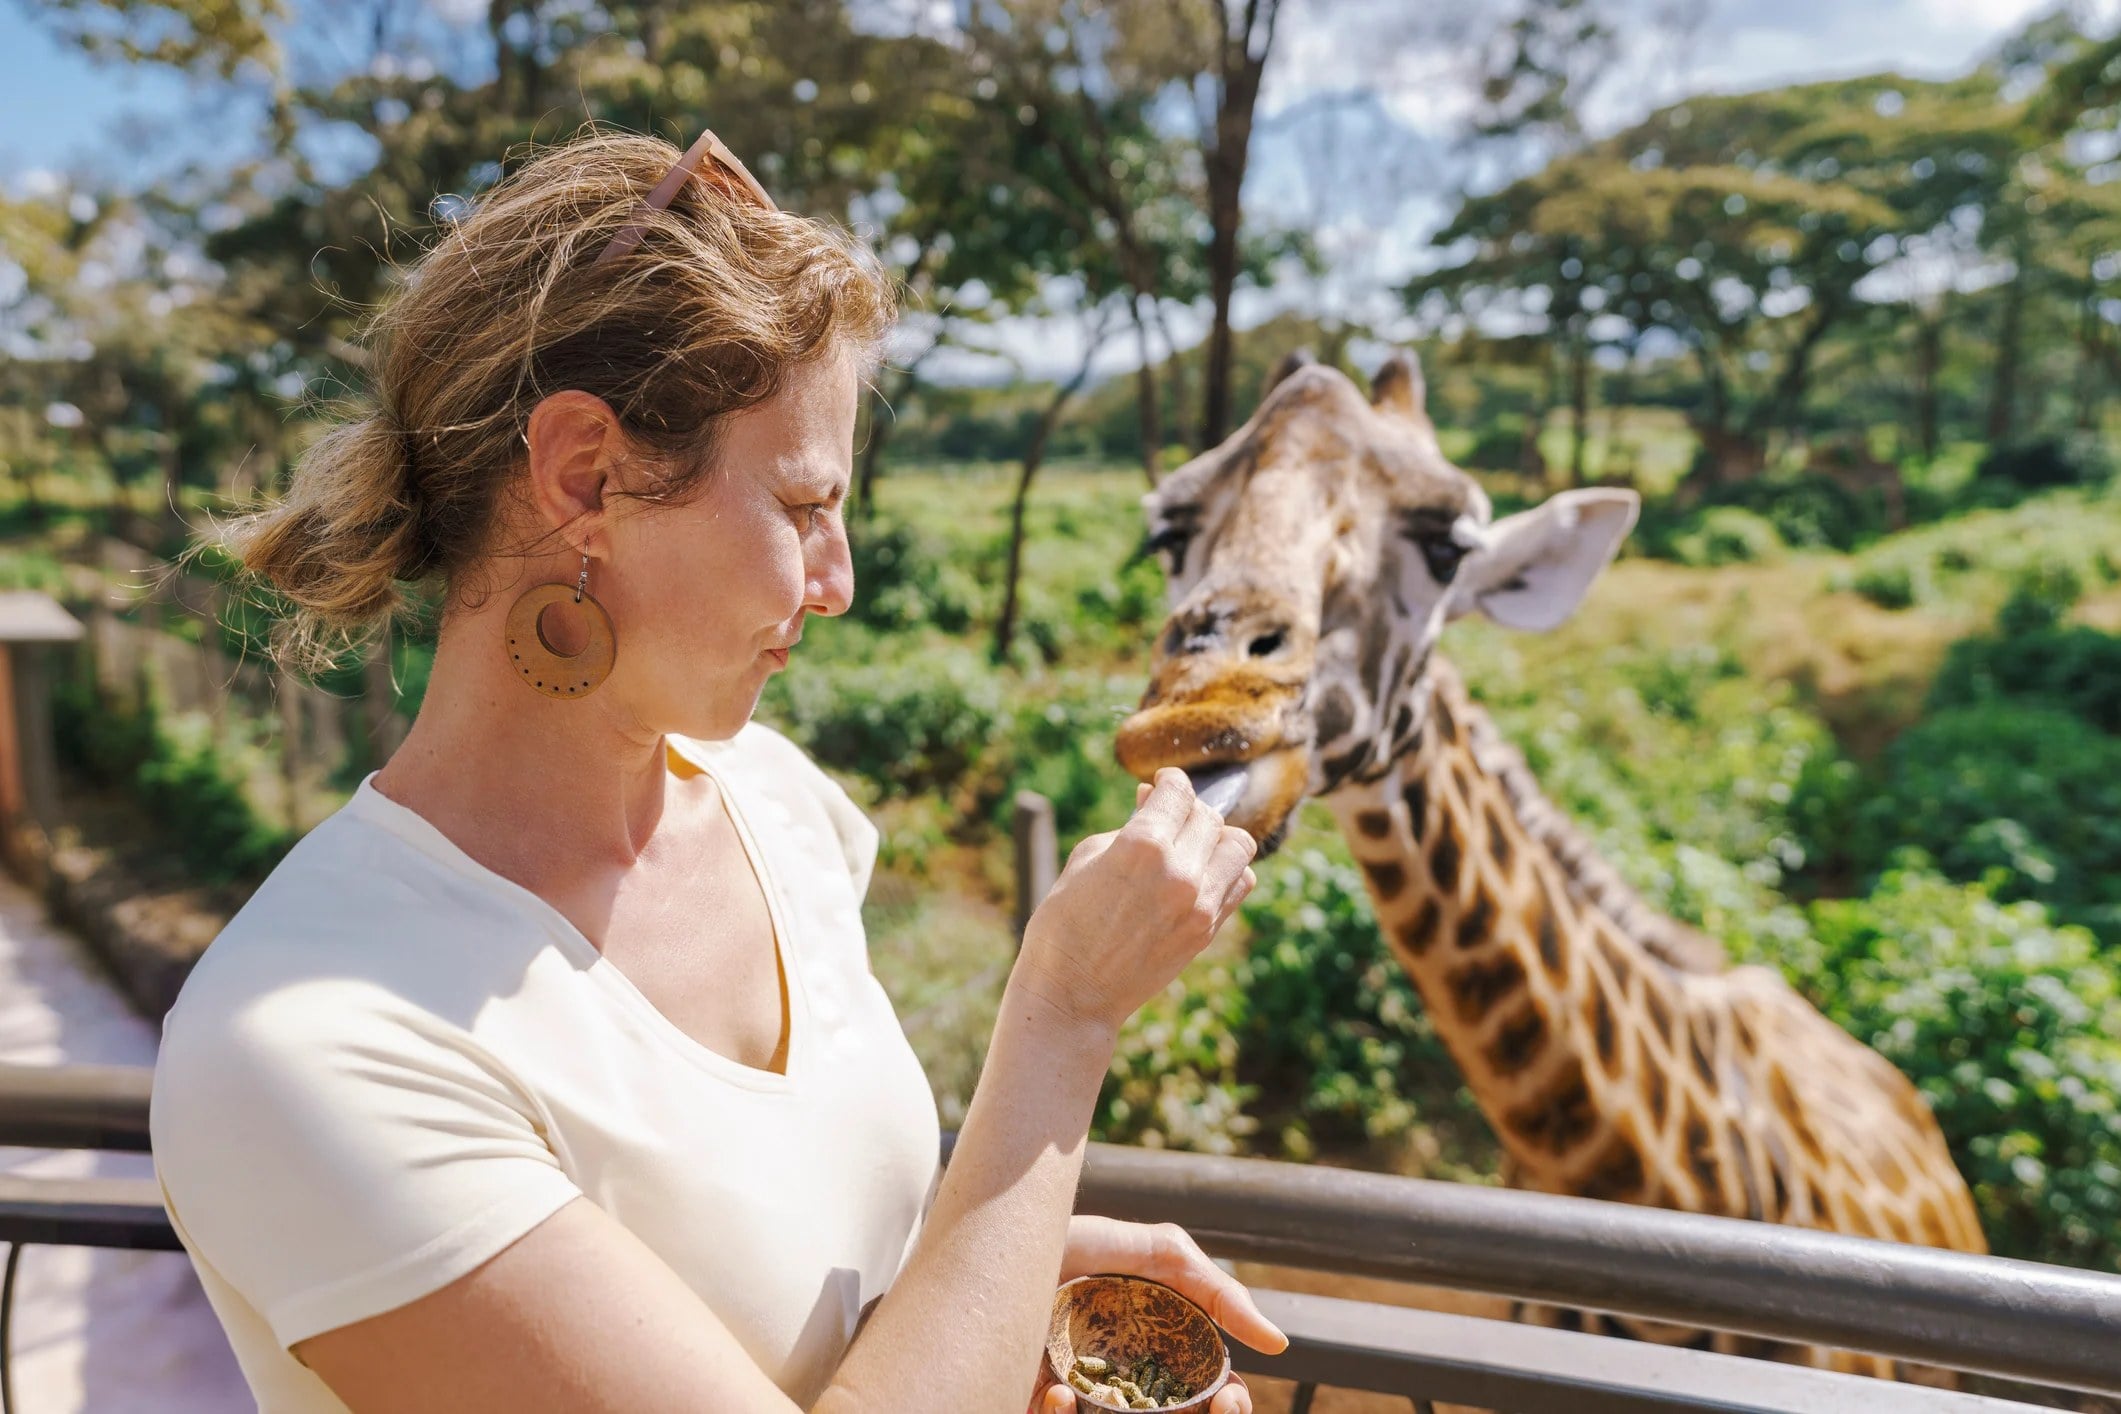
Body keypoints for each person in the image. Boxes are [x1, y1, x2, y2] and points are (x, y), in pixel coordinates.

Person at [149, 128, 1284, 1414]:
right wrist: (1065, 1014)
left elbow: (789, 1272)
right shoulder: (307, 1045)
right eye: (805, 509)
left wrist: (988, 1293)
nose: (839, 582)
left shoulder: (775, 803)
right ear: (587, 475)